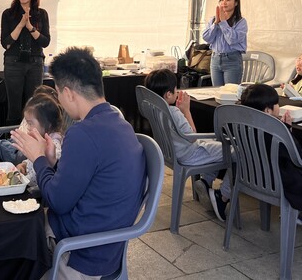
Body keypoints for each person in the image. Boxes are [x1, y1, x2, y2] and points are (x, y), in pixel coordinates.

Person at [12, 47, 146, 279]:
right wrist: (52, 163)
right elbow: (79, 184)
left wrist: (39, 158)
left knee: (10, 237)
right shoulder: (121, 125)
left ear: (69, 93)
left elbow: (58, 201)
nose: (61, 104)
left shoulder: (84, 133)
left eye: (59, 95)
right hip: (105, 244)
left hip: (81, 251)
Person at [144, 69, 232, 221]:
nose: (178, 92)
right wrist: (186, 110)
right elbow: (192, 136)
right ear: (169, 95)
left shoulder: (152, 107)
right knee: (237, 150)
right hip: (190, 153)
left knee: (216, 144)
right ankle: (222, 196)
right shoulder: (174, 112)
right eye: (176, 89)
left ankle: (205, 181)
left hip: (172, 152)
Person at [240, 84, 302, 215]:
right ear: (268, 110)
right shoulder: (276, 134)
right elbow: (297, 157)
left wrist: (286, 129)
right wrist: (286, 132)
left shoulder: (244, 128)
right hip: (283, 185)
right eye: (277, 103)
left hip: (257, 179)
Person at [0, 0, 51, 125]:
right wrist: (21, 24)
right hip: (13, 63)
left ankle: (32, 142)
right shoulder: (8, 14)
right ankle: (11, 144)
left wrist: (29, 26)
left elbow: (45, 42)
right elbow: (6, 43)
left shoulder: (41, 14)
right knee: (14, 107)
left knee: (33, 106)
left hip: (35, 63)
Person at [15, 93, 64, 187]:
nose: (28, 128)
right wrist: (24, 165)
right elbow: (31, 160)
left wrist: (20, 180)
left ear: (47, 124)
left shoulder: (54, 147)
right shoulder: (40, 140)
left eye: (30, 123)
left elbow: (37, 178)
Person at [202, 0, 248, 86]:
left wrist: (223, 23)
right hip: (215, 58)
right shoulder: (214, 19)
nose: (224, 3)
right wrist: (216, 23)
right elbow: (207, 38)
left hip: (232, 60)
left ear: (236, 3)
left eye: (228, 0)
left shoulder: (241, 22)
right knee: (217, 92)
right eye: (222, 0)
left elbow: (232, 40)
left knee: (230, 93)